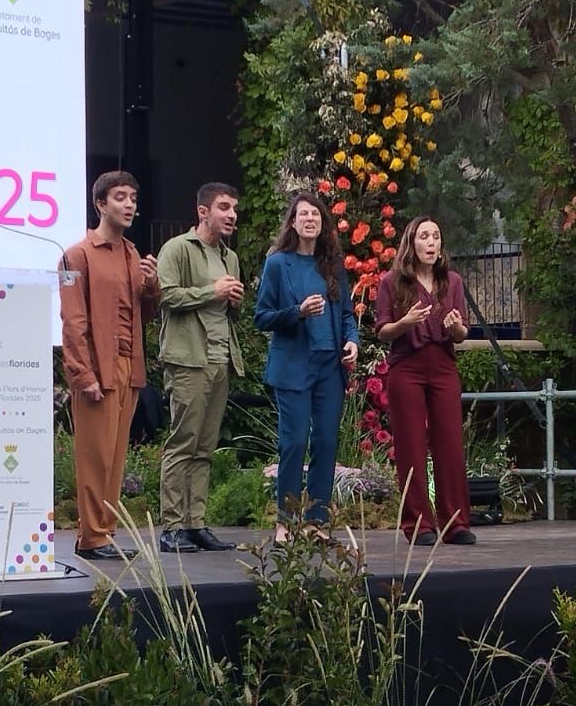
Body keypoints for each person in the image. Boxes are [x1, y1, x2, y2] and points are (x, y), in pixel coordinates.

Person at [59, 171, 160, 561]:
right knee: (94, 453)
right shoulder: (77, 254)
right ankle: (91, 536)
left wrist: (152, 286)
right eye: (121, 197)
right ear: (101, 204)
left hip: (128, 366)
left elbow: (145, 313)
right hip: (96, 367)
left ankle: (106, 532)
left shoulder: (133, 254)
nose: (130, 204)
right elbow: (74, 321)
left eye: (133, 197)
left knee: (117, 454)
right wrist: (82, 374)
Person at [254, 192, 359, 539]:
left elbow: (346, 316)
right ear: (293, 223)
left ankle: (317, 521)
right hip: (293, 366)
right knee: (294, 442)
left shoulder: (332, 264)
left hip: (330, 365)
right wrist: (297, 313)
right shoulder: (277, 264)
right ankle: (286, 521)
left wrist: (352, 342)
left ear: (322, 223)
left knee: (327, 442)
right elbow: (262, 317)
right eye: (303, 214)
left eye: (315, 214)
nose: (310, 219)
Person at [374, 215, 476, 545]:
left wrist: (454, 327)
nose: (431, 243)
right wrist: (405, 322)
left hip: (444, 366)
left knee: (450, 445)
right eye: (424, 237)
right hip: (408, 367)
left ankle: (455, 523)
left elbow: (462, 333)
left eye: (436, 236)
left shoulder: (453, 282)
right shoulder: (392, 282)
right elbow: (382, 332)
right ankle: (418, 525)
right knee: (412, 448)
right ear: (412, 244)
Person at [155, 182, 245, 552]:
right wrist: (213, 292)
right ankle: (172, 526)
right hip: (187, 359)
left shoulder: (230, 257)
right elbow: (165, 295)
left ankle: (196, 523)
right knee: (183, 443)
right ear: (203, 212)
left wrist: (234, 300)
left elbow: (229, 309)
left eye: (234, 209)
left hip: (221, 358)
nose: (232, 215)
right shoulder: (177, 248)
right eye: (224, 207)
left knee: (205, 448)